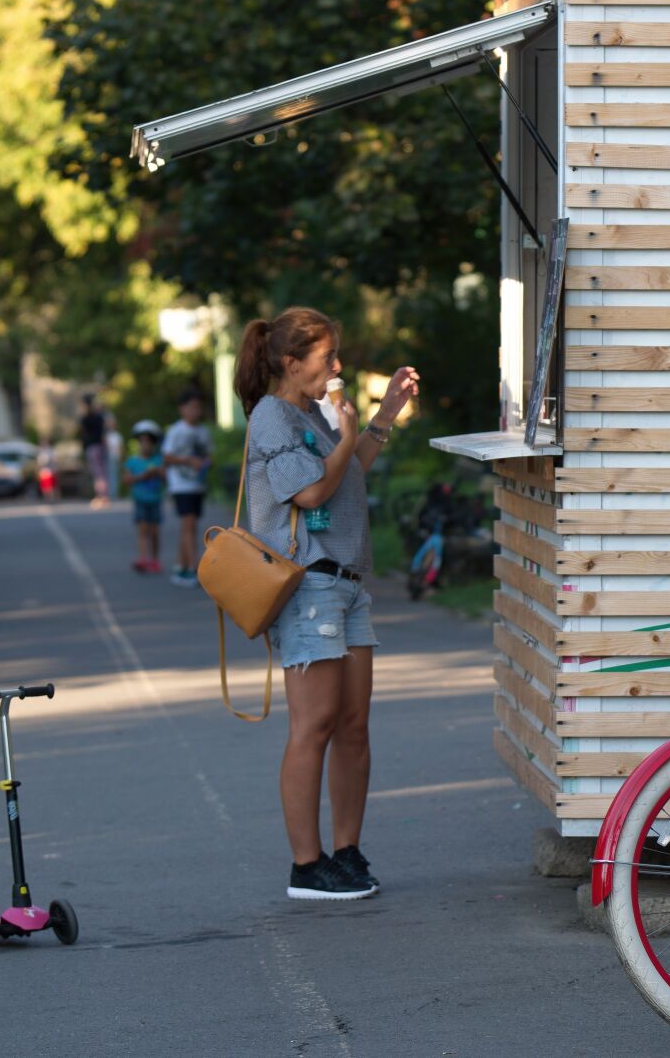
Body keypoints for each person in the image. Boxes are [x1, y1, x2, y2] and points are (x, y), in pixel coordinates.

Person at [234, 306, 419, 900]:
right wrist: (342, 437)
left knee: (354, 726)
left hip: (347, 583)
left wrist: (382, 417)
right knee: (312, 726)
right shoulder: (272, 417)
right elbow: (312, 488)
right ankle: (306, 866)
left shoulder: (315, 412)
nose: (338, 366)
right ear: (292, 364)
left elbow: (347, 474)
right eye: (327, 358)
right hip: (307, 583)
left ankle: (347, 851)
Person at [162, 389, 213, 588]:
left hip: (197, 485)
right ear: (182, 409)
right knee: (189, 524)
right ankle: (193, 568)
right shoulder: (176, 430)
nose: (195, 411)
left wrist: (204, 463)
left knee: (190, 526)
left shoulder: (202, 432)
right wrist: (187, 460)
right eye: (191, 407)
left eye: (198, 407)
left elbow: (209, 455)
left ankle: (180, 566)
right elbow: (166, 456)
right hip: (181, 485)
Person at [126, 420, 166, 573]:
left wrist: (157, 472)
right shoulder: (133, 462)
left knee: (155, 532)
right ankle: (143, 558)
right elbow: (127, 479)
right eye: (142, 442)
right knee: (143, 530)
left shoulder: (158, 460)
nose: (145, 445)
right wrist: (142, 476)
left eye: (148, 442)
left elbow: (165, 476)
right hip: (140, 500)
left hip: (155, 500)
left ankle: (155, 560)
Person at [79, 394, 109, 507]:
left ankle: (102, 496)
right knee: (102, 472)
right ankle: (103, 495)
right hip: (100, 446)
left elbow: (83, 434)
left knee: (98, 473)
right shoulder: (99, 416)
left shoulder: (86, 418)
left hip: (92, 447)